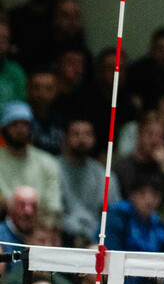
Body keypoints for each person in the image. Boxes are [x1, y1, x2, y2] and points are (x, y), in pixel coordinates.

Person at [0, 102, 62, 219]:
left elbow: (53, 207)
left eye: (25, 124)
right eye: (14, 124)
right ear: (4, 129)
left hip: (39, 224)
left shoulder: (48, 162)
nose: (20, 129)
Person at [57, 117, 105, 245]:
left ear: (93, 139)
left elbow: (111, 215)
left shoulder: (103, 175)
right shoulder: (52, 169)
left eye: (87, 134)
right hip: (61, 238)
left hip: (95, 240)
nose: (81, 139)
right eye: (76, 134)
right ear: (65, 138)